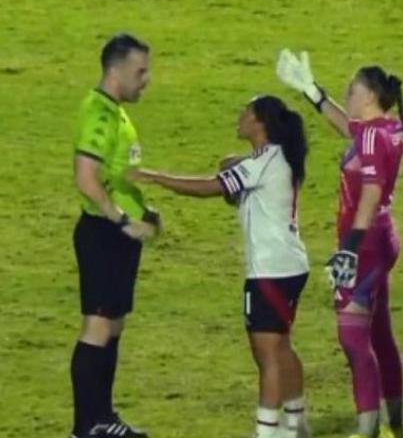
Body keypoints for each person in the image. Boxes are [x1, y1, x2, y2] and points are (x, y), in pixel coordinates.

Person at [129, 96, 312, 438]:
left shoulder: (259, 165)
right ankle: (296, 420)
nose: (239, 116)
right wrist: (235, 160)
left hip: (270, 272)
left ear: (261, 122)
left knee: (267, 354)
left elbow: (209, 188)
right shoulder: (277, 158)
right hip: (290, 266)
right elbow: (233, 168)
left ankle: (268, 433)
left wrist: (154, 177)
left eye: (246, 111)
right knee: (281, 346)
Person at [277, 49, 403, 438]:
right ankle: (396, 423)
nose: (347, 95)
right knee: (380, 333)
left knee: (353, 338)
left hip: (366, 243)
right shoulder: (387, 128)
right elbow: (350, 129)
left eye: (352, 90)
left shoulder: (371, 135)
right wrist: (311, 90)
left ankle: (367, 429)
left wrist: (350, 246)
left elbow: (370, 190)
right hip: (384, 237)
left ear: (369, 96)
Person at [70, 33, 159, 438]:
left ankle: (104, 417)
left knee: (114, 326)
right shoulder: (99, 115)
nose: (147, 79)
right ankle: (86, 426)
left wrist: (145, 210)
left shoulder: (116, 112)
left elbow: (116, 176)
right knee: (98, 327)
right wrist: (123, 220)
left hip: (119, 236)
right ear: (115, 70)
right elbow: (86, 180)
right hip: (103, 234)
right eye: (140, 71)